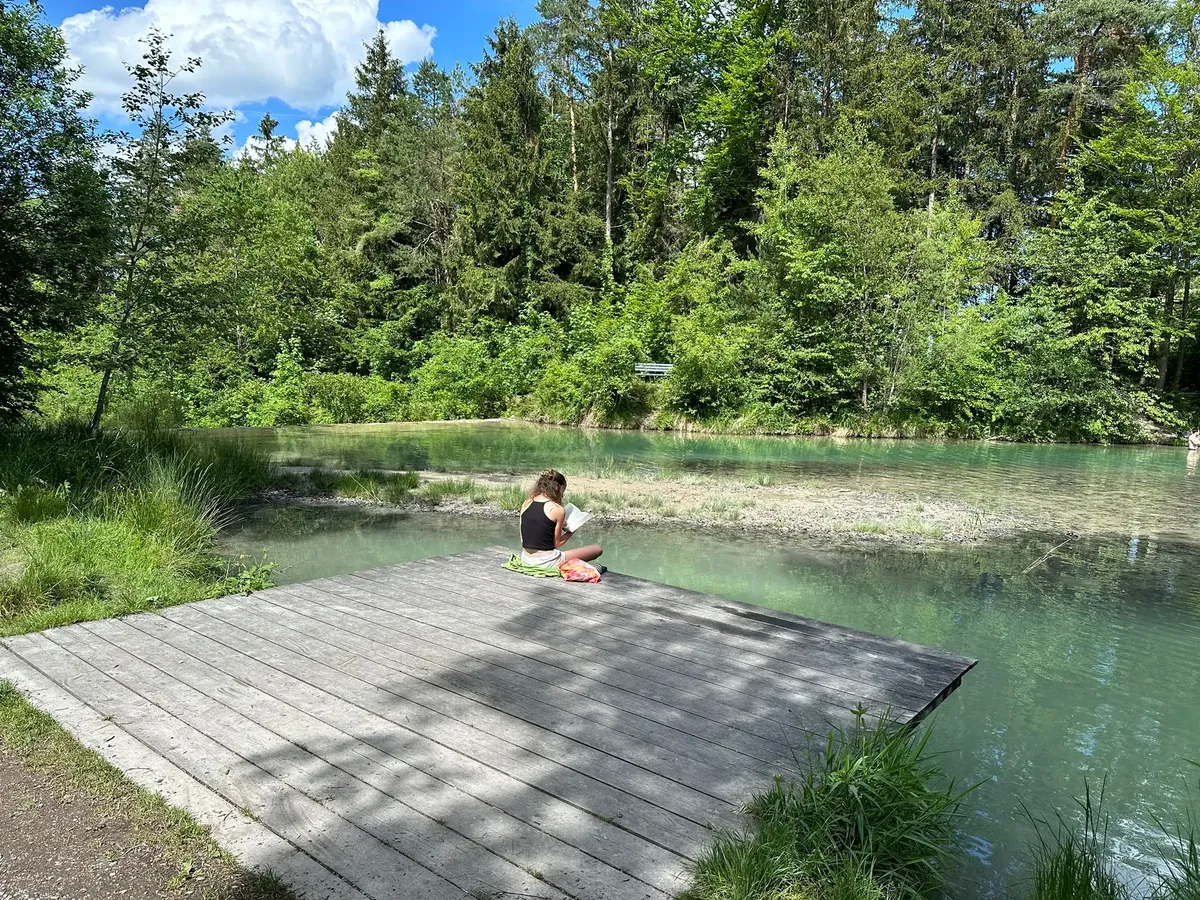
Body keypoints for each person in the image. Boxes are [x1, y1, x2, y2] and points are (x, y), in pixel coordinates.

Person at [519, 469, 603, 570]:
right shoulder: (557, 509)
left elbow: (523, 538)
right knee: (597, 549)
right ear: (558, 488)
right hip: (547, 562)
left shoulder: (527, 503)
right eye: (563, 491)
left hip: (526, 559)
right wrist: (572, 530)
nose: (562, 495)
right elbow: (557, 544)